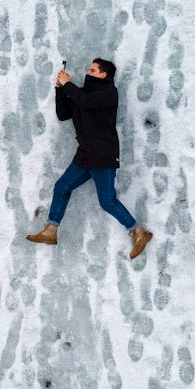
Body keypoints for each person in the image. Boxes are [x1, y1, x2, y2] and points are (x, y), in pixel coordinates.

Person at [26, 58, 153, 259]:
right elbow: (63, 113)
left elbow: (88, 102)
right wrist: (60, 89)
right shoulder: (82, 94)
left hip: (102, 153)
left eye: (92, 69)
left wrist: (68, 84)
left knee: (107, 201)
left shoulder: (108, 93)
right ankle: (51, 230)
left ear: (103, 74)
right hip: (86, 154)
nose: (88, 72)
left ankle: (139, 232)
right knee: (62, 187)